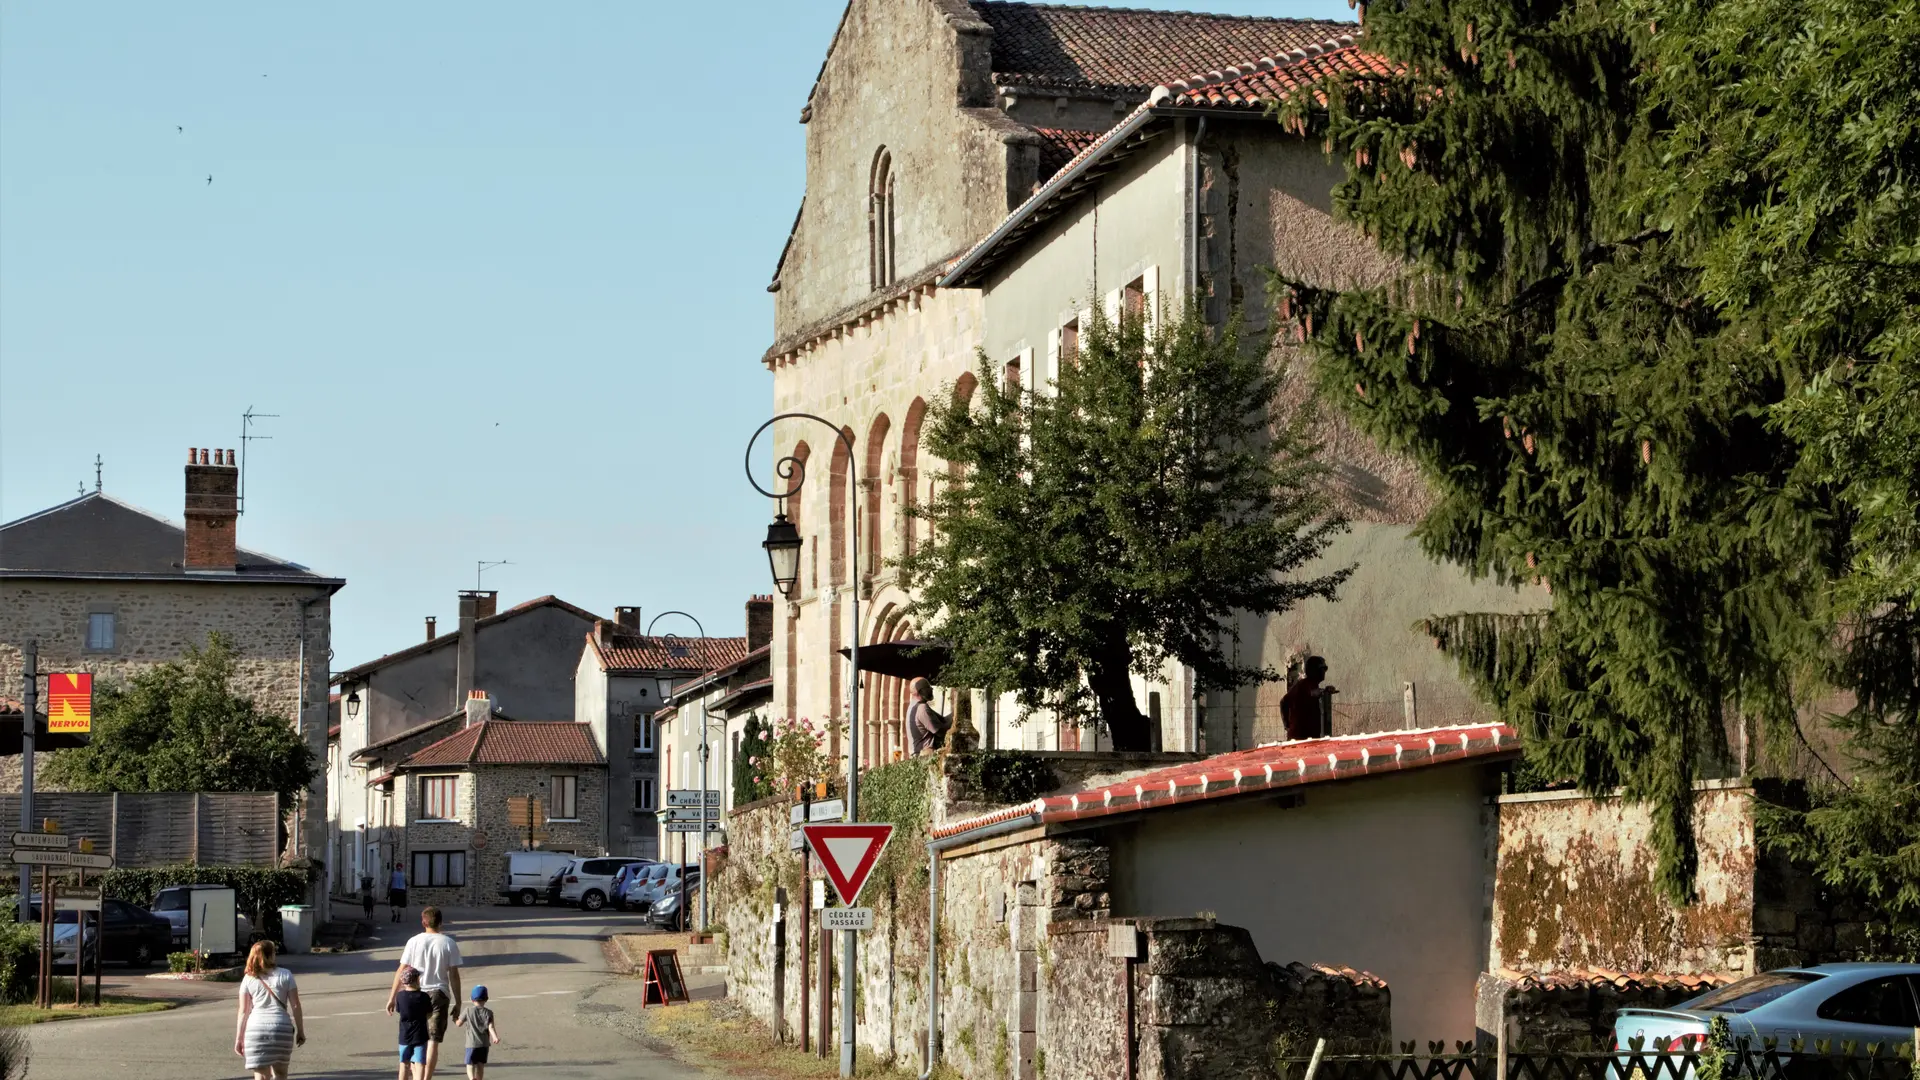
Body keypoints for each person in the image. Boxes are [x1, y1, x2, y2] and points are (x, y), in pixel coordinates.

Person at [386, 905, 463, 1080]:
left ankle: (415, 1073)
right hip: (439, 993)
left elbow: (401, 969)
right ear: (441, 923)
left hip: (414, 994)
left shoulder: (413, 941)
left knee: (415, 1039)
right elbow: (454, 974)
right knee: (433, 1041)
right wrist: (458, 1001)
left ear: (423, 922)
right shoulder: (448, 943)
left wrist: (392, 997)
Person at [233, 939, 305, 1080]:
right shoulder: (286, 975)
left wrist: (239, 1038)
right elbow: (296, 1005)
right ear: (270, 955)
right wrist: (300, 1031)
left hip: (256, 1030)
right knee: (281, 1074)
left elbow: (243, 1011)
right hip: (281, 1029)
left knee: (261, 1076)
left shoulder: (248, 979)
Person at [1279, 656, 1336, 742]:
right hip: (1301, 737)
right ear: (1315, 670)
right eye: (1323, 668)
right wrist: (1287, 725)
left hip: (1306, 736)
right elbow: (1312, 692)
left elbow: (1284, 702)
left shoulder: (1306, 684)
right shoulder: (1305, 684)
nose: (1324, 671)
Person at [456, 985, 502, 1080]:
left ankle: (472, 1078)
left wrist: (455, 1019)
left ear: (472, 999)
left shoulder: (468, 1010)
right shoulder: (489, 1012)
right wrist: (495, 1037)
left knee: (470, 1064)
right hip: (484, 1044)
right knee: (480, 1065)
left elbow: (459, 1023)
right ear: (486, 999)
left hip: (471, 1043)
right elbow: (491, 1027)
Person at [394, 966, 432, 1080]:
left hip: (404, 1035)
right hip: (420, 1034)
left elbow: (399, 1010)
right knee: (420, 1063)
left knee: (404, 1064)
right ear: (416, 980)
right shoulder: (424, 996)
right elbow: (429, 1013)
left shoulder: (400, 996)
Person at [906, 678, 949, 755]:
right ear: (918, 692)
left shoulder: (913, 705)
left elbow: (943, 720)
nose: (931, 689)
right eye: (927, 687)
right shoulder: (922, 708)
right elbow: (940, 731)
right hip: (924, 755)